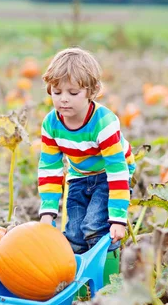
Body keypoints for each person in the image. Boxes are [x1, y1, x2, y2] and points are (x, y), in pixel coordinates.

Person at [37, 47, 135, 254]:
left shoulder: (104, 124)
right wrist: (47, 213)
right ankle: (79, 277)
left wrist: (118, 218)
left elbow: (117, 170)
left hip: (111, 174)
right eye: (57, 92)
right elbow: (50, 168)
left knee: (94, 227)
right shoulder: (51, 124)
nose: (64, 98)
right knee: (73, 234)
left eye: (73, 93)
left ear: (91, 92)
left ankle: (107, 272)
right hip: (79, 174)